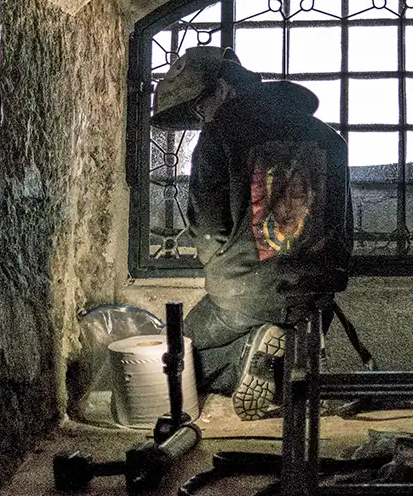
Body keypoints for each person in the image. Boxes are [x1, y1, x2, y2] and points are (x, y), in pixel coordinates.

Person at [150, 46, 352, 420]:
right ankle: (284, 349)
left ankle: (253, 350)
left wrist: (219, 264)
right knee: (291, 353)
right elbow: (343, 227)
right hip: (314, 294)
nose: (201, 116)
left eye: (200, 107)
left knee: (182, 355)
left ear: (224, 89)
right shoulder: (330, 139)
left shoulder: (219, 135)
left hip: (245, 291)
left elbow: (208, 224)